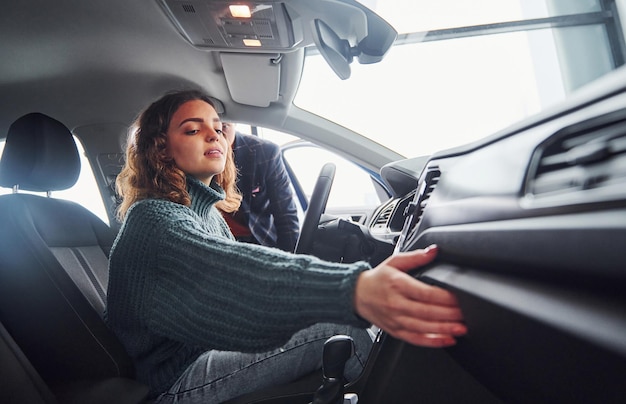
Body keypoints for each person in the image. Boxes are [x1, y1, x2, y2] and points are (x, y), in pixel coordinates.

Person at [106, 89, 467, 403]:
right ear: (161, 149)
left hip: (202, 351)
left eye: (218, 127)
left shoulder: (204, 212)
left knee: (333, 320)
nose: (213, 135)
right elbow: (238, 274)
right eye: (192, 129)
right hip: (174, 381)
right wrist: (352, 288)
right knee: (343, 333)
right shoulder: (154, 219)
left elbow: (243, 279)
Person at [220, 121, 299, 252]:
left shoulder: (265, 152)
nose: (216, 137)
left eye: (222, 127)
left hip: (258, 240)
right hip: (217, 241)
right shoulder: (195, 157)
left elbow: (285, 213)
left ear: (235, 123)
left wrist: (292, 259)